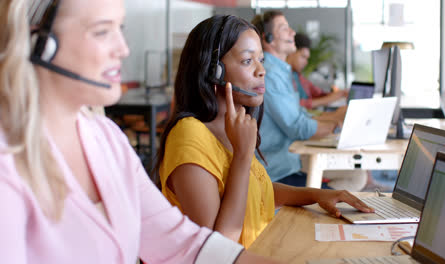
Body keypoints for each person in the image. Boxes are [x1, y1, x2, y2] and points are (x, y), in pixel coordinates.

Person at [0, 0, 278, 263]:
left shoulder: (107, 138)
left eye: (119, 31)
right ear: (38, 44)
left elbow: (183, 243)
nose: (123, 49)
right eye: (101, 32)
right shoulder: (8, 164)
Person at [156, 15, 373, 249]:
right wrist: (242, 154)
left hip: (265, 247)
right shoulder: (189, 137)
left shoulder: (231, 125)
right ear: (213, 71)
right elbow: (217, 249)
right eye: (248, 61)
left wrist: (315, 195)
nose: (262, 70)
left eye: (260, 59)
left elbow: (257, 191)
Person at [251, 11, 347, 186]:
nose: (292, 32)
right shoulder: (270, 74)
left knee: (353, 181)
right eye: (284, 28)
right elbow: (298, 127)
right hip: (277, 174)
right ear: (268, 38)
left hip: (287, 165)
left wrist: (337, 118)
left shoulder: (280, 71)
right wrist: (337, 126)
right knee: (344, 195)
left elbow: (300, 115)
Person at [286, 33, 348, 109]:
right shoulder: (282, 78)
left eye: (307, 58)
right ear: (291, 52)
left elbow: (319, 93)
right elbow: (292, 105)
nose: (306, 62)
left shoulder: (298, 76)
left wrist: (340, 93)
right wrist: (328, 99)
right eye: (303, 57)